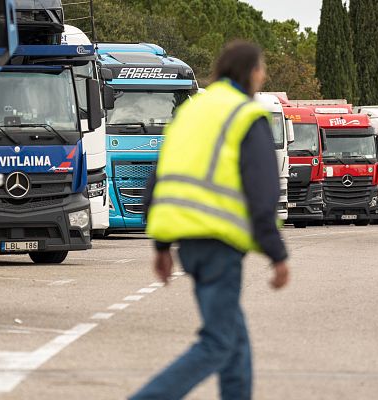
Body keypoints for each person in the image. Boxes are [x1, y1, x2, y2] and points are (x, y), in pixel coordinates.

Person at [130, 40, 290, 400]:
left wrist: (160, 246)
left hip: (189, 243)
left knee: (236, 342)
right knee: (218, 343)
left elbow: (157, 177)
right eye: (262, 69)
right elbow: (263, 192)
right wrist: (278, 254)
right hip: (218, 242)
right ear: (250, 72)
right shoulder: (246, 114)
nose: (263, 76)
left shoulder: (192, 110)